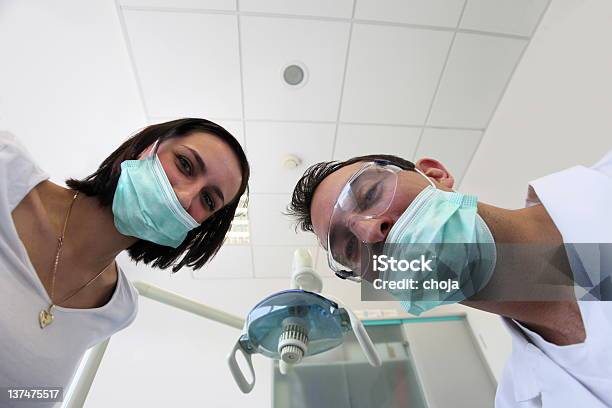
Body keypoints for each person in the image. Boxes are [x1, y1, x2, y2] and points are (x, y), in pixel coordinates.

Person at [287, 151, 612, 407]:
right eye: (349, 247)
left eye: (370, 194)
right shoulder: (520, 400)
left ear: (434, 174)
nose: (369, 231)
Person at [0, 118, 250, 404]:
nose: (184, 197)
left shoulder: (117, 307)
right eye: (185, 164)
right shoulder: (7, 168)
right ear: (146, 147)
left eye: (207, 200)